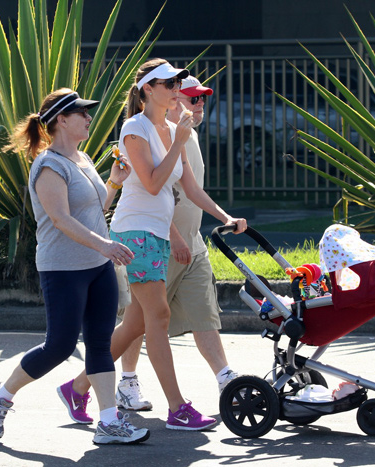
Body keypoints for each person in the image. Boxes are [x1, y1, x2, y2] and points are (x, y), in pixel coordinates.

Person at [57, 59, 247, 431]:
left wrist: (225, 217)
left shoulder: (174, 128)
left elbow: (191, 189)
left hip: (156, 233)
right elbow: (154, 182)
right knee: (158, 316)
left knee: (136, 324)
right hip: (135, 232)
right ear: (148, 89)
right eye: (167, 81)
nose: (176, 86)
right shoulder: (135, 128)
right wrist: (177, 143)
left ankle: (77, 387)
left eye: (177, 79)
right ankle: (177, 407)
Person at [0, 88, 149, 445]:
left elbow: (94, 208)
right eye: (82, 113)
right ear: (61, 120)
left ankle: (107, 422)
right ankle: (1, 395)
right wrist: (105, 243)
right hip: (63, 269)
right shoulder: (48, 166)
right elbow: (60, 219)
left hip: (97, 265)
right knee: (59, 345)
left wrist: (115, 183)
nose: (89, 118)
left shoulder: (82, 158)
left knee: (100, 344)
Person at [113, 76, 239, 412]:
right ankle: (120, 381)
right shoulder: (145, 132)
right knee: (139, 321)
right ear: (167, 97)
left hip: (192, 243)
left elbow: (192, 190)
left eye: (202, 100)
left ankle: (226, 379)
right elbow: (151, 192)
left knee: (204, 314)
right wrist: (176, 237)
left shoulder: (186, 136)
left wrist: (225, 217)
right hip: (157, 241)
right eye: (192, 98)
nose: (199, 105)